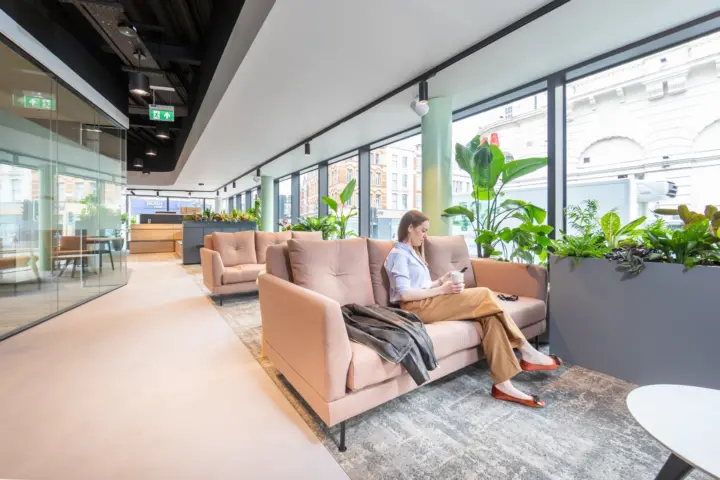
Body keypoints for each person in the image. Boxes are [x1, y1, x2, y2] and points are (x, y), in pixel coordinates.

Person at [384, 210, 562, 408]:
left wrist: (441, 281)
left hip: (428, 300)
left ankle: (503, 386)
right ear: (410, 227)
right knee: (485, 293)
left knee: (490, 318)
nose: (425, 235)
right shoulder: (398, 254)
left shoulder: (412, 252)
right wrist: (443, 290)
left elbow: (422, 286)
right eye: (423, 231)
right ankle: (526, 349)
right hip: (416, 308)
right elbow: (405, 295)